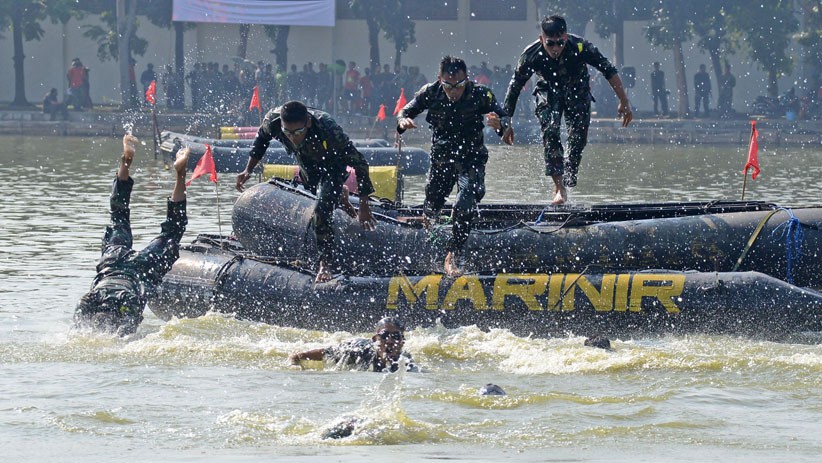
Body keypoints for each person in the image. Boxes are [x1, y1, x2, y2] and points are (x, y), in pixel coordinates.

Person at [236, 100, 377, 283]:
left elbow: (360, 163)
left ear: (308, 123)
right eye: (288, 132)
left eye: (298, 132)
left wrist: (364, 206)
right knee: (310, 190)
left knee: (321, 211)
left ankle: (325, 264)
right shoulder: (273, 121)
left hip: (332, 164)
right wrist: (248, 169)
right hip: (305, 160)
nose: (293, 136)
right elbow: (261, 140)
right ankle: (340, 193)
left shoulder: (328, 128)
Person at [397, 56, 511, 276]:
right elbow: (405, 112)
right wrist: (403, 121)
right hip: (442, 159)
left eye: (459, 85)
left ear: (466, 79)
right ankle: (428, 223)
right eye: (448, 86)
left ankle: (453, 255)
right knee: (433, 203)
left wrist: (500, 125)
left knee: (465, 200)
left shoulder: (480, 94)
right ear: (440, 80)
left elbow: (505, 120)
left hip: (471, 158)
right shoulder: (430, 92)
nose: (454, 91)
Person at [503, 15, 632, 205]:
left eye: (560, 43)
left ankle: (568, 174)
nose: (556, 49)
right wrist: (506, 122)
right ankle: (559, 188)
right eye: (551, 44)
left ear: (565, 37)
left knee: (578, 138)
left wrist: (624, 101)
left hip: (577, 92)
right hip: (548, 92)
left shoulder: (580, 47)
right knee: (551, 131)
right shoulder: (532, 54)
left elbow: (608, 69)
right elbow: (515, 86)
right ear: (542, 39)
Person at [74, 135, 190, 336]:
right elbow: (81, 312)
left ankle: (181, 175)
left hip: (140, 271)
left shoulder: (127, 304)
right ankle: (126, 163)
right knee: (118, 216)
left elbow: (125, 329)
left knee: (172, 232)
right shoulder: (91, 300)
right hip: (111, 262)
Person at [289, 317, 417, 372]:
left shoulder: (405, 362)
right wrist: (296, 362)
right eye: (384, 336)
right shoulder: (357, 352)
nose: (389, 341)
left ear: (402, 342)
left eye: (395, 337)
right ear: (375, 339)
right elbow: (323, 353)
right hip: (357, 343)